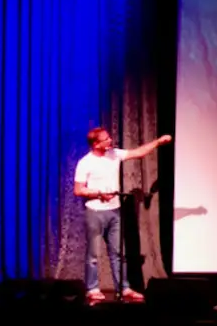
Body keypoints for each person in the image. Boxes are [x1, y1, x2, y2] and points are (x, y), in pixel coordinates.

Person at [74, 127, 172, 303]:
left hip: (115, 212)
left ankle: (124, 288)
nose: (110, 141)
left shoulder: (114, 154)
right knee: (93, 255)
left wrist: (158, 142)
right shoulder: (85, 163)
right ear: (96, 144)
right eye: (106, 139)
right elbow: (78, 190)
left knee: (118, 253)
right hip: (95, 212)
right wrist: (98, 194)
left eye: (109, 138)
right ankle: (92, 289)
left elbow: (138, 153)